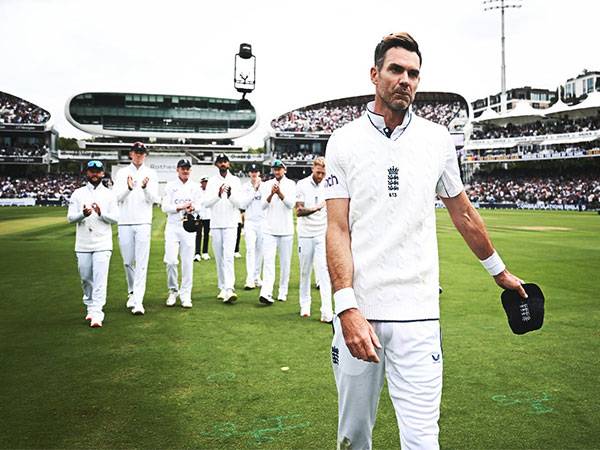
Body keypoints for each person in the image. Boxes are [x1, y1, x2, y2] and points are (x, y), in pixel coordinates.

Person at [325, 32, 527, 450]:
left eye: (413, 73)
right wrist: (346, 308)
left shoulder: (437, 140)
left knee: (422, 441)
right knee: (352, 437)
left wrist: (499, 271)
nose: (406, 80)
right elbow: (337, 228)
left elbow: (464, 213)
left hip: (419, 314)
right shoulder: (343, 140)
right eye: (396, 70)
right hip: (360, 312)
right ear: (374, 74)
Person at [67, 160, 118, 328]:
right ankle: (90, 305)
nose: (94, 174)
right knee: (86, 277)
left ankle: (97, 312)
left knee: (100, 277)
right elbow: (70, 218)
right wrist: (82, 214)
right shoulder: (78, 193)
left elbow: (115, 218)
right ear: (87, 173)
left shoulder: (110, 194)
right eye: (91, 171)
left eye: (98, 171)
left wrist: (101, 213)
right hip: (83, 243)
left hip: (103, 242)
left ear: (103, 174)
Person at [114, 141, 160, 315]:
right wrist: (128, 188)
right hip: (125, 221)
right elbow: (116, 198)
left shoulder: (151, 173)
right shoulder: (122, 173)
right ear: (131, 154)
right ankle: (132, 292)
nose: (139, 155)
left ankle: (138, 301)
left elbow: (155, 199)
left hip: (143, 222)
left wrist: (145, 188)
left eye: (142, 152)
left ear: (145, 155)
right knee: (127, 261)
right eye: (136, 152)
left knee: (141, 262)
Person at [295, 156, 333, 322]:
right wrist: (316, 208)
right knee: (305, 271)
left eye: (323, 173)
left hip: (321, 232)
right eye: (318, 172)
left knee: (324, 271)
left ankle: (327, 310)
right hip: (305, 233)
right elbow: (299, 211)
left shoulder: (329, 183)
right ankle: (305, 305)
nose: (320, 176)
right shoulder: (302, 184)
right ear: (313, 169)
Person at [161, 159, 201, 308]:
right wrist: (180, 207)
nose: (185, 171)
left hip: (189, 226)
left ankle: (186, 294)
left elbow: (199, 204)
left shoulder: (195, 186)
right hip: (173, 226)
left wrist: (193, 208)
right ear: (177, 169)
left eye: (188, 169)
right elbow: (165, 207)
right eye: (183, 168)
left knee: (187, 262)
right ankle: (173, 290)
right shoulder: (170, 186)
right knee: (171, 261)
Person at [203, 153, 242, 303]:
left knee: (228, 257)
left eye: (225, 161)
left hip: (231, 224)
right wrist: (218, 195)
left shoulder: (235, 181)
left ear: (229, 164)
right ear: (216, 165)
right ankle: (222, 287)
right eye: (220, 162)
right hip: (216, 223)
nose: (223, 164)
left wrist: (230, 196)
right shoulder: (212, 182)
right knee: (219, 258)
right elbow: (206, 203)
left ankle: (229, 288)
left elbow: (241, 204)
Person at [258, 160, 296, 304]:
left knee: (285, 263)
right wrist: (271, 195)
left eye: (279, 169)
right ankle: (266, 293)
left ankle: (282, 291)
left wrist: (280, 193)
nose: (277, 172)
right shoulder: (267, 184)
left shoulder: (291, 184)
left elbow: (291, 204)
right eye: (275, 169)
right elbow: (262, 206)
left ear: (284, 170)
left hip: (286, 230)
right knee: (268, 262)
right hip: (269, 230)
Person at [239, 163, 265, 290]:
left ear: (259, 173)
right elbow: (243, 204)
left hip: (262, 222)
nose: (254, 173)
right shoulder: (245, 187)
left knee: (260, 251)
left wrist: (259, 188)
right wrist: (254, 190)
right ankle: (249, 279)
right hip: (250, 222)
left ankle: (257, 277)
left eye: (256, 171)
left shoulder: (265, 186)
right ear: (249, 173)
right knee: (250, 249)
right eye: (252, 171)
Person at [194, 177, 211, 261]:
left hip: (208, 216)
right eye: (204, 182)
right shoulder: (197, 191)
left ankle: (205, 252)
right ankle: (197, 253)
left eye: (206, 182)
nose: (205, 184)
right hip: (199, 215)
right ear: (201, 183)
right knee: (198, 234)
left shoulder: (210, 192)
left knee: (206, 234)